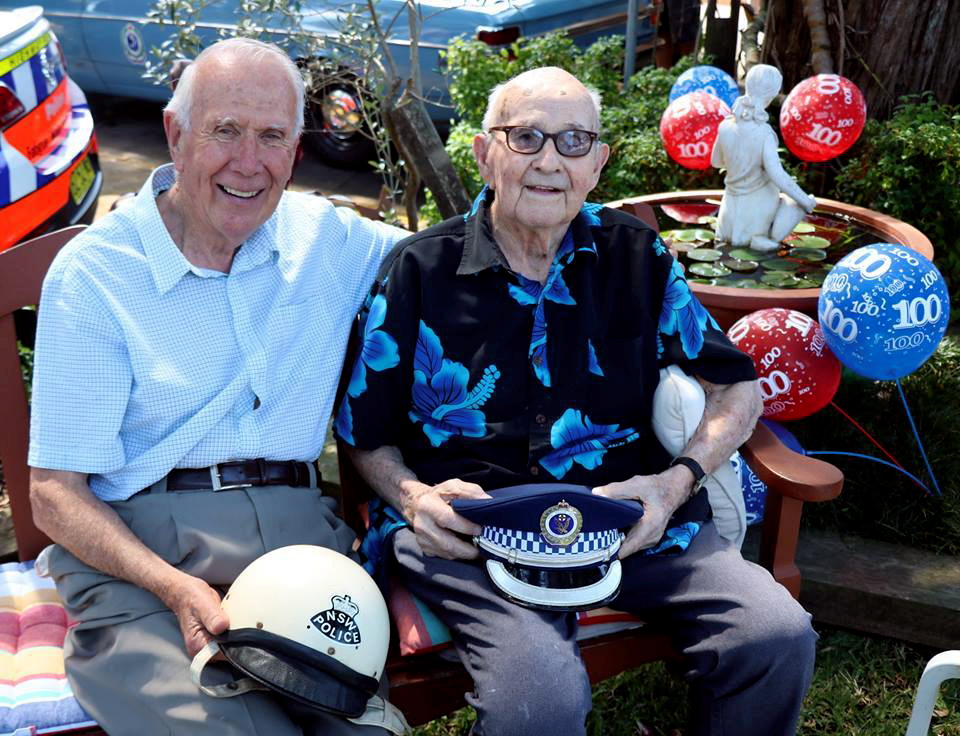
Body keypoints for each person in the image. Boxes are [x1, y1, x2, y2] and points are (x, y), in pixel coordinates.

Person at [335, 66, 818, 736]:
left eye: (571, 142)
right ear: (484, 153)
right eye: (525, 137)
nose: (548, 162)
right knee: (541, 703)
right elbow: (362, 431)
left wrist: (674, 485)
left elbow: (736, 385)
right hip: (474, 536)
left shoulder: (637, 255)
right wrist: (413, 498)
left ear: (597, 163)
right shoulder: (419, 270)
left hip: (631, 525)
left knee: (774, 637)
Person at [28, 38, 408, 735]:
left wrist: (540, 170)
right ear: (175, 134)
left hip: (301, 550)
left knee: (363, 728)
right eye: (225, 131)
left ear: (296, 153)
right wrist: (172, 587)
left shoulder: (327, 237)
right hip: (142, 560)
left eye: (271, 137)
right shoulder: (96, 276)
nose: (248, 161)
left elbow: (458, 255)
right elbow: (55, 494)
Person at [711, 63, 817, 252]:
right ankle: (768, 240)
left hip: (729, 208)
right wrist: (806, 201)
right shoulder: (764, 134)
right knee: (795, 204)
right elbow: (778, 175)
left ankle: (763, 240)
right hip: (757, 207)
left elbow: (716, 161)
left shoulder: (726, 125)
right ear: (771, 95)